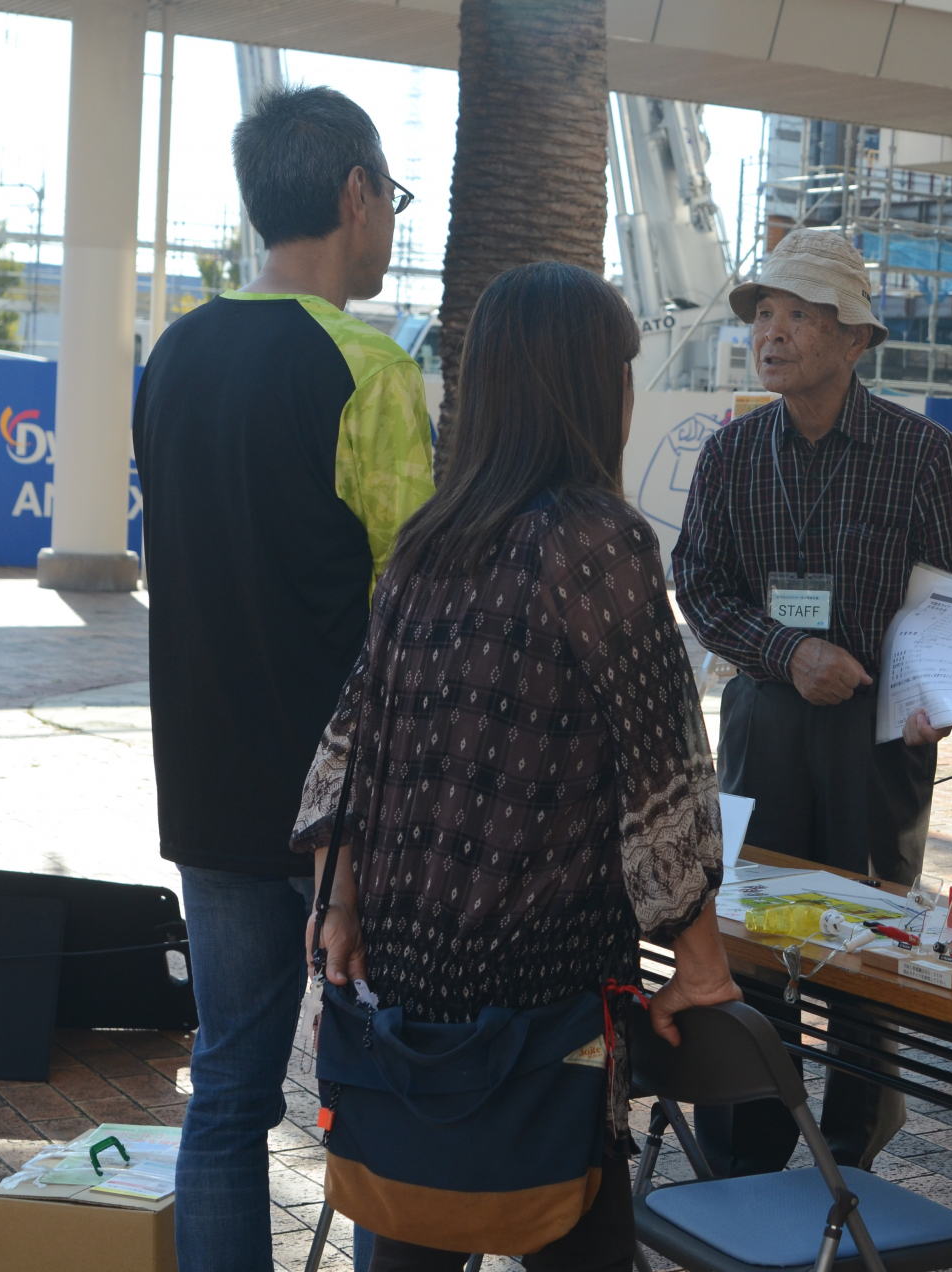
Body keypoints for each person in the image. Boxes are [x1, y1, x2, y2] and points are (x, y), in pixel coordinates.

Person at [297, 260, 738, 1271]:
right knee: (571, 1224)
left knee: (411, 1215)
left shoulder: (426, 544)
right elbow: (664, 775)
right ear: (590, 389)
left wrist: (342, 905)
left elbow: (347, 747)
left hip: (406, 970)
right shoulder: (600, 542)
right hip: (543, 989)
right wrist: (702, 960)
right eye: (623, 374)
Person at [132, 86, 434, 1271]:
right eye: (391, 200)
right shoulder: (371, 364)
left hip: (204, 785)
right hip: (347, 814)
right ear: (356, 195)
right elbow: (410, 604)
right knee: (379, 1094)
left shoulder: (176, 351)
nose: (390, 224)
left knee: (226, 1096)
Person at [672, 229, 952, 1175]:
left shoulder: (921, 455)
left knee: (867, 941)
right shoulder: (732, 457)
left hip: (879, 734)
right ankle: (747, 1146)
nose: (770, 333)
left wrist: (934, 692)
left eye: (796, 314)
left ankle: (853, 1155)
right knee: (756, 932)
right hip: (767, 716)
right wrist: (787, 649)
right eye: (763, 314)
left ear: (853, 339)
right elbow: (699, 582)